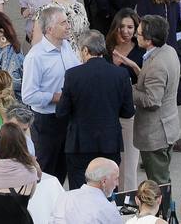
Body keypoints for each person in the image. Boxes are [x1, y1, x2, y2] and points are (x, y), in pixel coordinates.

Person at [56, 29, 135, 189]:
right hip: (109, 143)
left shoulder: (73, 75)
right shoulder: (120, 74)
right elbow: (128, 112)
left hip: (80, 145)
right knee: (109, 190)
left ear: (85, 50)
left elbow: (61, 112)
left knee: (80, 192)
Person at [22, 4, 80, 181]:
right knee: (46, 172)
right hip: (47, 122)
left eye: (67, 22)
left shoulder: (67, 48)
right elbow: (28, 95)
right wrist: (56, 97)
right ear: (49, 29)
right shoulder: (35, 56)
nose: (68, 26)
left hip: (68, 118)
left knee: (63, 169)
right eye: (63, 23)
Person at [132, 13, 181, 186]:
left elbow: (152, 100)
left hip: (156, 134)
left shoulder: (156, 65)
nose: (134, 36)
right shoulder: (169, 51)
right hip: (168, 127)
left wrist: (128, 89)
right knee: (161, 179)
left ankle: (164, 212)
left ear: (149, 40)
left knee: (158, 183)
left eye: (138, 34)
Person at [49, 157, 120, 223]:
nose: (117, 184)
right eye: (116, 179)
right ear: (104, 181)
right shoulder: (108, 210)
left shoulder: (63, 197)